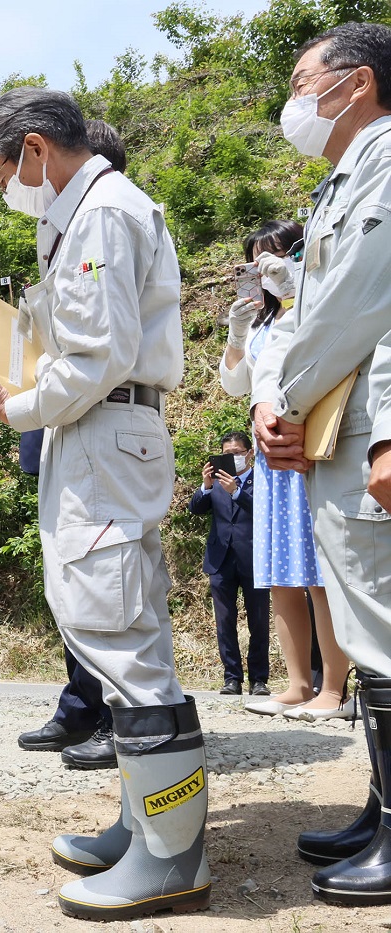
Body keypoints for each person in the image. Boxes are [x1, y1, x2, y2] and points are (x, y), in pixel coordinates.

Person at [0, 88, 207, 920]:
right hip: (96, 432)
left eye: (2, 176)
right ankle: (146, 823)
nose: (4, 192)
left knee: (118, 627)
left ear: (36, 149)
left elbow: (98, 353)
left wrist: (21, 405)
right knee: (109, 623)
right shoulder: (77, 214)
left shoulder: (102, 212)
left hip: (104, 429)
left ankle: (172, 856)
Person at [250, 22, 391, 905]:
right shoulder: (346, 176)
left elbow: (353, 307)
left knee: (384, 625)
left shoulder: (386, 161)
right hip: (342, 426)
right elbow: (310, 309)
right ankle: (383, 807)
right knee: (368, 626)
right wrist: (278, 399)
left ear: (359, 84)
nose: (295, 100)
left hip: (371, 422)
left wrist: (288, 398)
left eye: (305, 81)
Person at [15, 119, 130, 772]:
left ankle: (117, 716)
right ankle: (82, 702)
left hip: (100, 430)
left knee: (106, 579)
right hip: (59, 426)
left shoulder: (112, 227)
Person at [220, 219, 352, 721]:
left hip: (306, 446)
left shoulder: (316, 305)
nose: (263, 271)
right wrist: (236, 335)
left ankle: (334, 690)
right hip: (269, 454)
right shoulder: (261, 323)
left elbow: (329, 340)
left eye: (273, 259)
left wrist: (299, 289)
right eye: (255, 262)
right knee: (281, 572)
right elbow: (236, 383)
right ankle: (297, 684)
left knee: (318, 573)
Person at [188, 431, 270, 695]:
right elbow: (196, 509)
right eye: (226, 454)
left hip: (254, 558)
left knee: (258, 620)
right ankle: (231, 678)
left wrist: (236, 492)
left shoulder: (262, 479)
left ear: (249, 453)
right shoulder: (216, 483)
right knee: (225, 621)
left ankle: (258, 680)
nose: (231, 458)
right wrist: (206, 485)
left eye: (236, 453)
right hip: (220, 559)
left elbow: (263, 511)